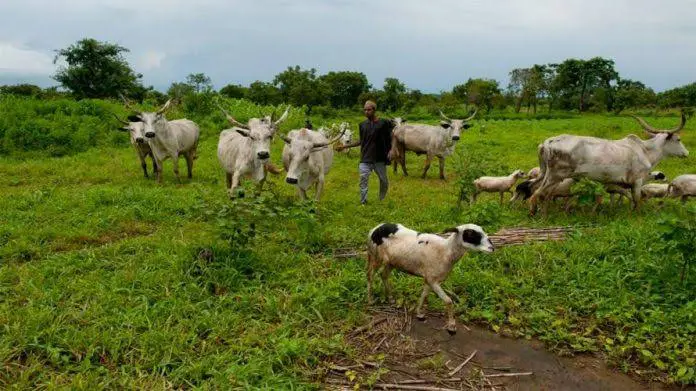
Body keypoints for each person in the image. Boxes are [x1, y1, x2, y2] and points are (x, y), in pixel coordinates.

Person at [338, 100, 394, 205]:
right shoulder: (362, 125)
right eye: (365, 110)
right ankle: (363, 201)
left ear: (374, 110)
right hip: (366, 157)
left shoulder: (384, 123)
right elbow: (361, 141)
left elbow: (391, 136)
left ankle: (381, 199)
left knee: (384, 181)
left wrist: (391, 150)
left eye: (368, 110)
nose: (366, 112)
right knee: (363, 179)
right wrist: (344, 146)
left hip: (379, 158)